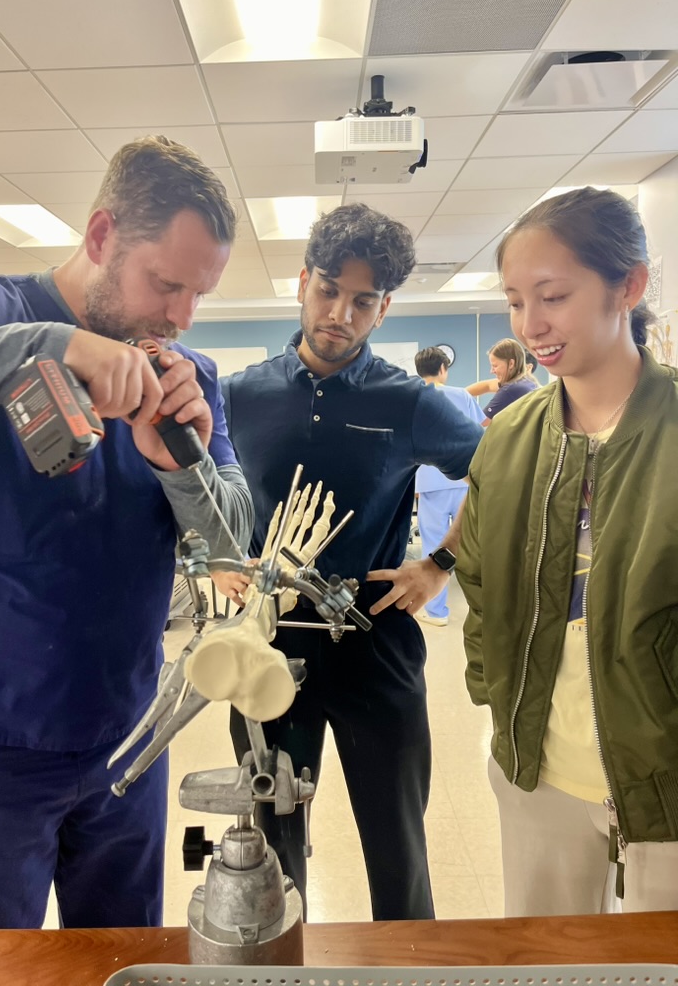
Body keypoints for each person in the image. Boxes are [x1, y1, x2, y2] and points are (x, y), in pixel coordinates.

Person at [0, 136, 253, 929]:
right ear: (102, 237)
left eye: (198, 295)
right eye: (165, 284)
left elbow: (230, 544)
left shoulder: (187, 377)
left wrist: (178, 461)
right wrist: (50, 347)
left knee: (123, 958)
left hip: (128, 736)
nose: (180, 316)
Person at [220, 202, 483, 921]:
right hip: (270, 640)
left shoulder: (409, 402)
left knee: (396, 842)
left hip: (374, 635)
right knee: (272, 844)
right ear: (302, 282)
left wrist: (440, 561)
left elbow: (499, 470)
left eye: (363, 301)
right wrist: (220, 560)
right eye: (329, 290)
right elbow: (199, 485)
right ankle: (281, 966)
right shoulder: (240, 396)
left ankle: (408, 967)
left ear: (384, 308)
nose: (340, 313)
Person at [456, 186, 678, 917]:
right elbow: (480, 583)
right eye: (516, 302)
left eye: (553, 296)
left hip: (664, 774)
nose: (532, 326)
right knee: (545, 957)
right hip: (538, 766)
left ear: (628, 286)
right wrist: (495, 694)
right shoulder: (510, 440)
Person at [413, 347, 485, 627]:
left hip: (429, 482)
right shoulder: (462, 395)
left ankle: (436, 612)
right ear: (443, 369)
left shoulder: (413, 396)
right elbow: (479, 433)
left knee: (433, 544)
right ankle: (483, 609)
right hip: (464, 480)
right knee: (473, 544)